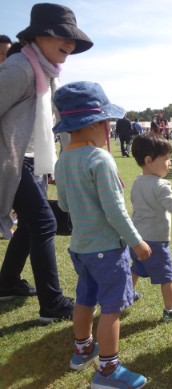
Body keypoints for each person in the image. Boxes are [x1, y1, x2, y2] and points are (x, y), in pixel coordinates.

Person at [53, 81, 152, 388]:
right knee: (112, 308)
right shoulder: (100, 159)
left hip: (80, 248)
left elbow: (66, 204)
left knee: (84, 299)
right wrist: (137, 242)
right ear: (96, 123)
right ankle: (108, 372)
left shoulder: (63, 161)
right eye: (108, 122)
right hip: (108, 250)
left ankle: (82, 350)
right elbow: (116, 212)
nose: (110, 128)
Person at [0, 3, 93, 321]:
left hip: (33, 160)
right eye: (62, 36)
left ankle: (7, 283)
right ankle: (52, 304)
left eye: (73, 39)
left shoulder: (46, 71)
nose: (69, 44)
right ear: (38, 36)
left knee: (29, 224)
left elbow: (56, 121)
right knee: (44, 223)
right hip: (10, 162)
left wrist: (66, 159)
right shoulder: (19, 69)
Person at [130, 132, 172, 321]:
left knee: (135, 268)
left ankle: (125, 296)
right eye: (166, 159)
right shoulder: (162, 185)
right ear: (149, 160)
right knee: (168, 276)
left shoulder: (137, 181)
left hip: (136, 238)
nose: (169, 163)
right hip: (157, 242)